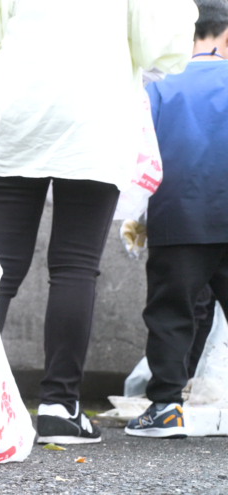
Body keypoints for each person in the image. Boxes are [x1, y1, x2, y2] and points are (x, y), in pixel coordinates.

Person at [0, 0, 198, 444]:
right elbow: (160, 44)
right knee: (75, 264)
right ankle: (59, 405)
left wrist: (10, 91)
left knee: (0, 264)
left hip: (17, 110)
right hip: (95, 114)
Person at [125, 0, 228, 439]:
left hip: (178, 215)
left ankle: (165, 407)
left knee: (171, 311)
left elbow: (139, 153)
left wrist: (134, 216)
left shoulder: (159, 84)